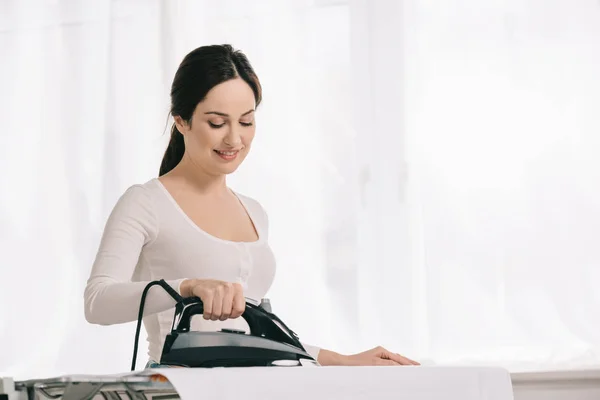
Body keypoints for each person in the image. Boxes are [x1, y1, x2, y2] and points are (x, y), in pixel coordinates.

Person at [83, 44, 419, 368]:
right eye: (217, 123)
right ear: (181, 121)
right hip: (180, 389)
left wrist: (341, 360)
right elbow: (97, 302)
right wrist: (187, 287)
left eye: (246, 121)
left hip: (254, 387)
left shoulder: (254, 212)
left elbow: (252, 336)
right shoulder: (146, 203)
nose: (234, 139)